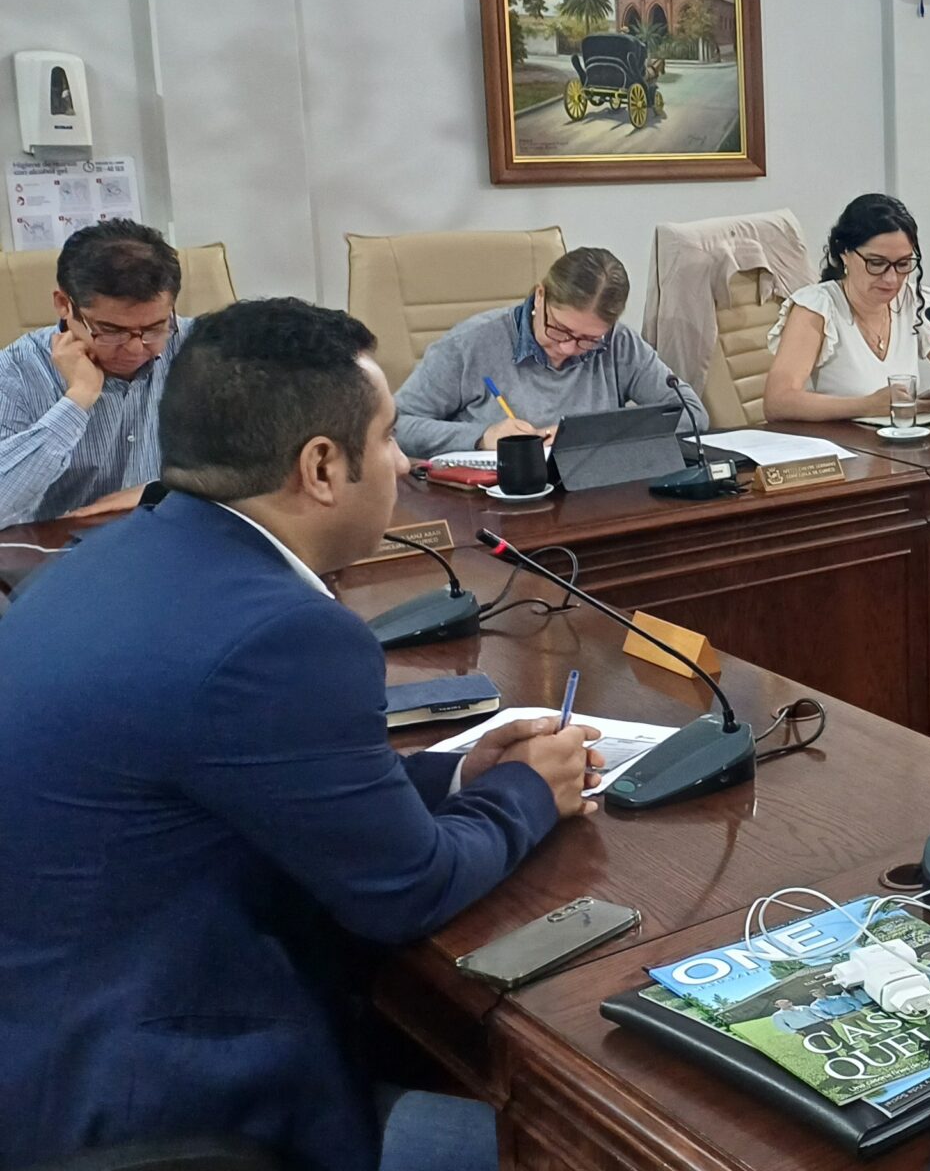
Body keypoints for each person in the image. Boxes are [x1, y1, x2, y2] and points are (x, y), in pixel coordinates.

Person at [0, 298, 601, 1170]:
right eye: (388, 438)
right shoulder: (278, 633)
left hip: (45, 1047)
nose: (401, 462)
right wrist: (528, 792)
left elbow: (245, 785)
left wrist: (458, 777)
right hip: (161, 1102)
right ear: (321, 466)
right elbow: (409, 889)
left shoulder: (109, 557)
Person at [393, 246, 706, 457]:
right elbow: (396, 425)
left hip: (592, 498)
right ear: (540, 295)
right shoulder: (469, 344)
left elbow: (692, 414)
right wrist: (482, 437)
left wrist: (589, 435)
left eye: (588, 339)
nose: (568, 347)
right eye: (559, 329)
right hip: (496, 505)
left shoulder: (618, 342)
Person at [0, 218, 188, 525]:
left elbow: (257, 469)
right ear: (64, 304)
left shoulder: (200, 349)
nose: (135, 348)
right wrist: (77, 400)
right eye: (111, 331)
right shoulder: (15, 372)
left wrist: (159, 491)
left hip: (172, 534)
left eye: (155, 328)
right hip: (60, 547)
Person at [766, 193, 930, 421]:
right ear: (844, 253)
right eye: (876, 263)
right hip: (839, 441)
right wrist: (866, 406)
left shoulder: (912, 302)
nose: (891, 279)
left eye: (903, 264)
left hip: (903, 440)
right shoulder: (817, 308)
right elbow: (778, 402)